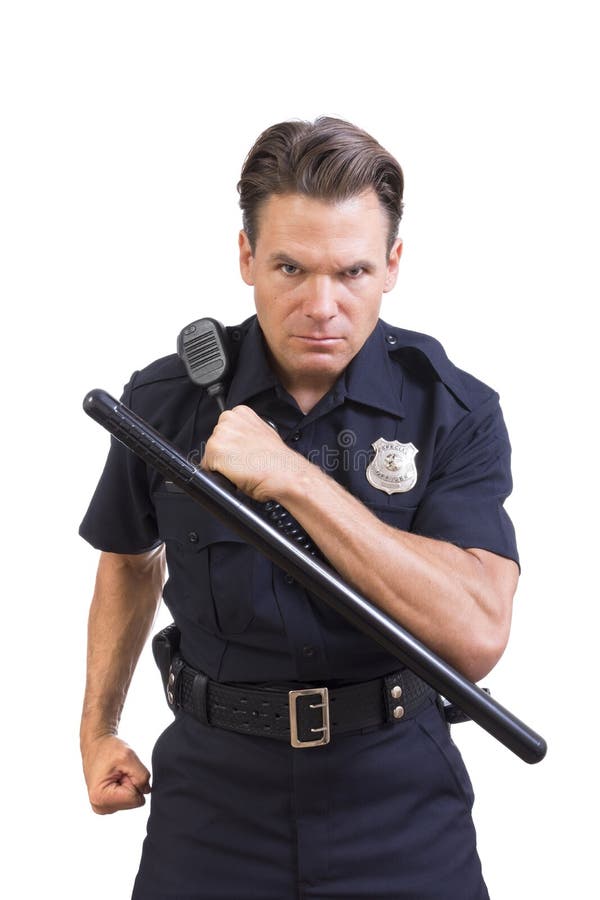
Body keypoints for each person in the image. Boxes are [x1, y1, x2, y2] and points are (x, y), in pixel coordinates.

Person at [79, 117, 520, 899]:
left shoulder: (454, 411)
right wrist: (98, 727)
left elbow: (478, 634)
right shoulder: (163, 399)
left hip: (400, 804)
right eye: (291, 267)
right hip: (210, 808)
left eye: (351, 272)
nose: (322, 305)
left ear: (392, 266)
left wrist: (296, 479)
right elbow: (128, 557)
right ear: (246, 256)